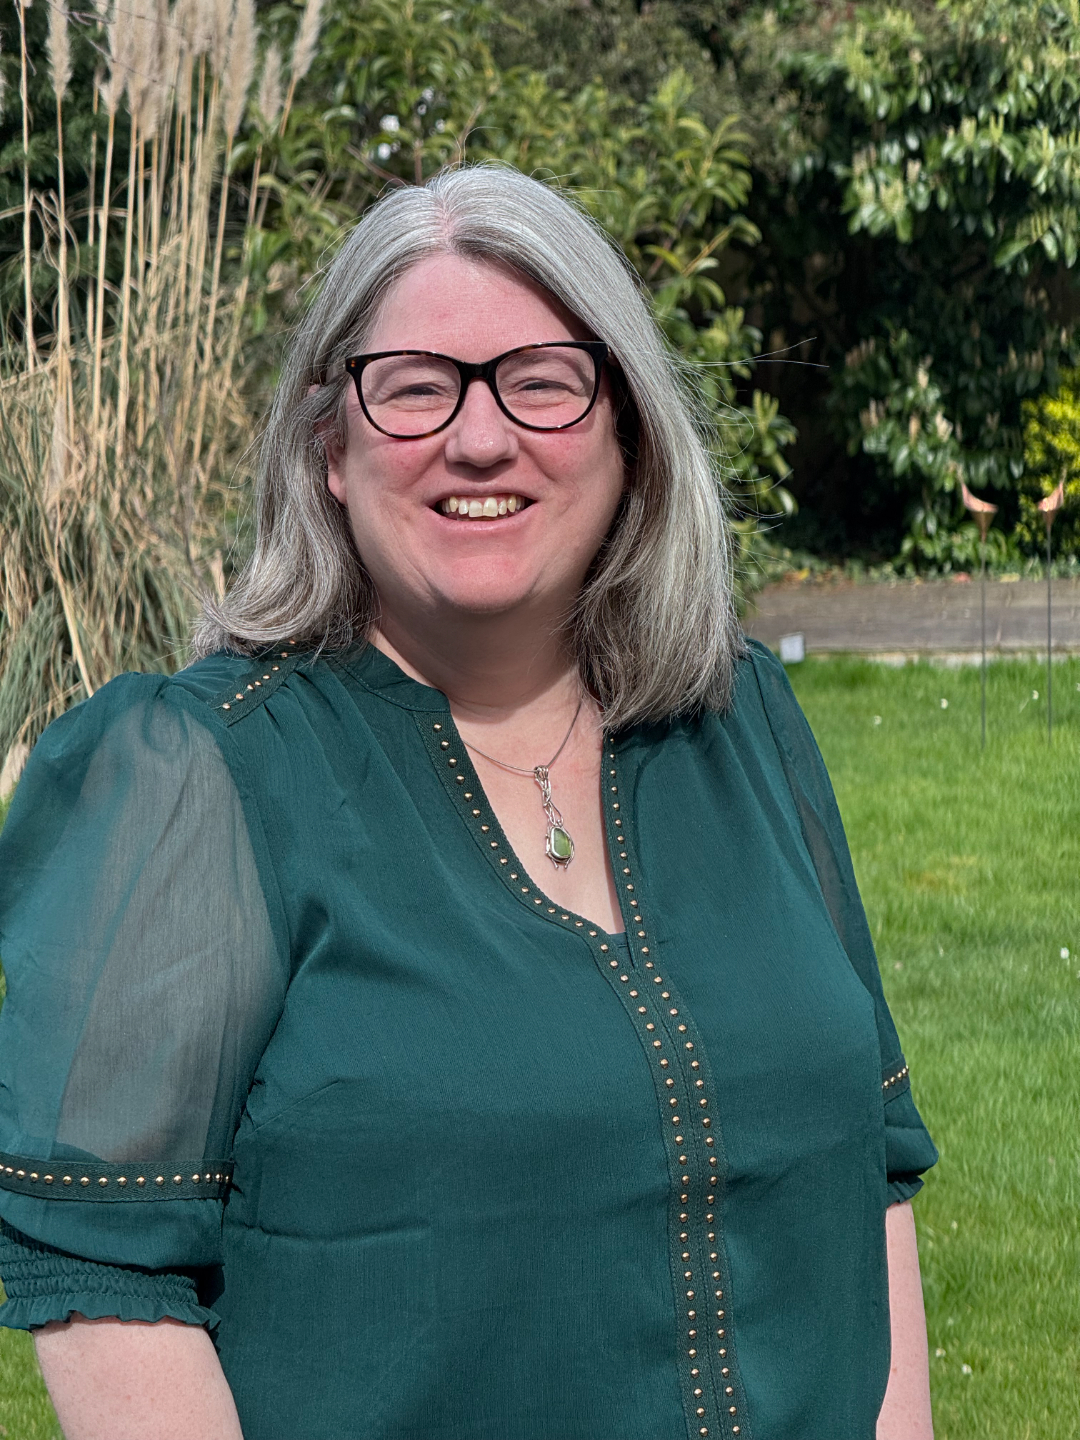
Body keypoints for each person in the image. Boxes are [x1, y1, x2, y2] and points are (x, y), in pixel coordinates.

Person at [0, 164, 937, 1440]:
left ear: (630, 432)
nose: (480, 437)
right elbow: (112, 1277)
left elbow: (868, 1163)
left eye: (543, 380)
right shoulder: (195, 778)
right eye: (415, 388)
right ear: (329, 447)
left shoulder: (740, 724)